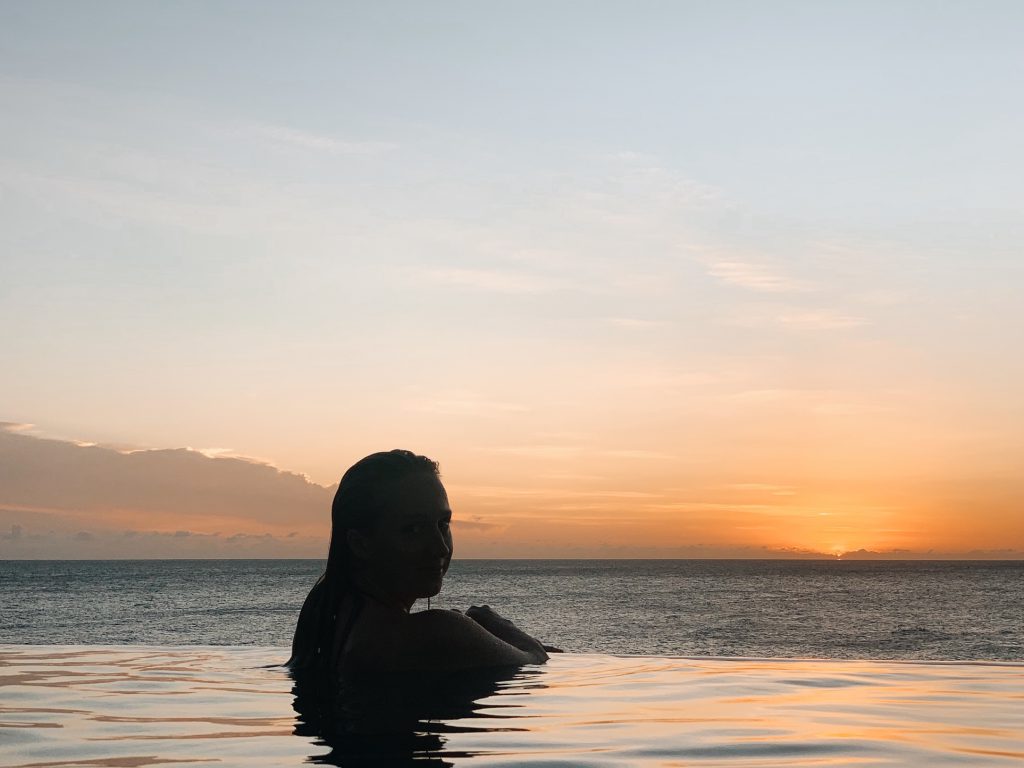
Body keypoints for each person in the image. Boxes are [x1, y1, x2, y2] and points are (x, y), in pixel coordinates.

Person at [288, 449, 552, 674]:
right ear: (361, 544)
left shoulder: (328, 625)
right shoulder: (437, 633)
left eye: (443, 524)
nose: (439, 546)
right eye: (412, 529)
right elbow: (534, 661)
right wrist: (497, 625)